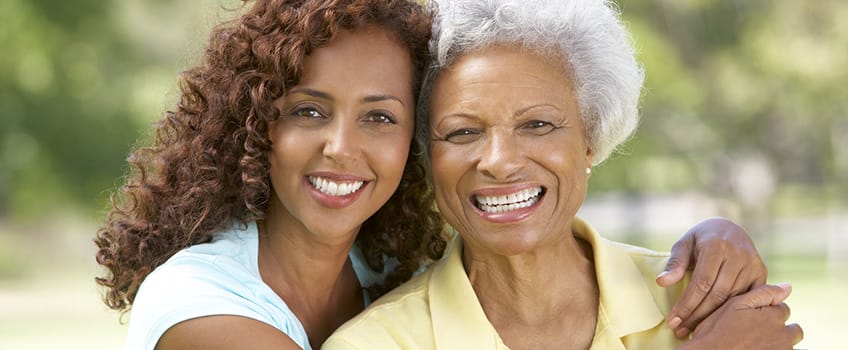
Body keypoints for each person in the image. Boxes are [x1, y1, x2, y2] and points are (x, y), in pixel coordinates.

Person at [95, 0, 773, 349]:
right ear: (256, 122)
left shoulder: (383, 265)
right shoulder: (202, 309)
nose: (341, 148)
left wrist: (717, 235)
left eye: (380, 117)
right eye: (463, 131)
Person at [323, 0, 803, 349]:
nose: (499, 161)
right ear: (427, 156)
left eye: (537, 125)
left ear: (590, 140)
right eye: (463, 131)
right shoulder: (378, 343)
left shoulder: (705, 301)